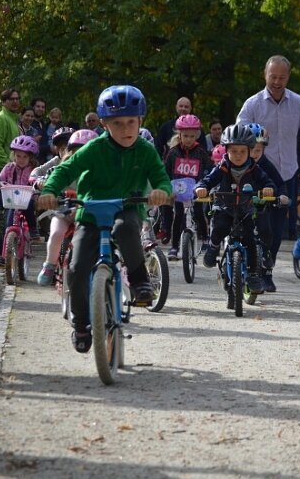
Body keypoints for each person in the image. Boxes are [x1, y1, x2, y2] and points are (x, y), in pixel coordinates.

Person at [38, 85, 171, 353]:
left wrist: (161, 192)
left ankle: (140, 280)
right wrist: (50, 190)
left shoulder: (145, 150)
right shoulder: (94, 148)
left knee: (125, 229)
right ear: (104, 124)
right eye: (117, 123)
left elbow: (160, 177)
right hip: (91, 213)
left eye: (131, 122)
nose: (126, 129)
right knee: (76, 268)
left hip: (128, 208)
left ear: (140, 121)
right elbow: (66, 169)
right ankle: (82, 325)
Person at [237, 55, 300, 288]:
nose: (277, 81)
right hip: (256, 173)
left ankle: (267, 270)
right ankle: (247, 267)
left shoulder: (297, 102)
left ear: (288, 77)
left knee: (275, 229)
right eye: (273, 76)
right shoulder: (253, 104)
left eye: (282, 77)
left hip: (286, 174)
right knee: (252, 223)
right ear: (265, 75)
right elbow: (237, 134)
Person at [195, 124, 276, 295]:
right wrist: (202, 187)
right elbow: (208, 180)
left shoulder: (254, 168)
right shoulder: (223, 166)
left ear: (249, 151)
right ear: (226, 151)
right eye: (234, 151)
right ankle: (214, 246)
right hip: (225, 207)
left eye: (242, 151)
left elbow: (267, 182)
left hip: (245, 209)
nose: (238, 156)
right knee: (220, 227)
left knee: (250, 241)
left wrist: (269, 188)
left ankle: (254, 275)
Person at [32, 128, 100, 286]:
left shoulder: (101, 172)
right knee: (55, 233)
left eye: (87, 152)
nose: (83, 156)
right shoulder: (64, 168)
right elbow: (51, 178)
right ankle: (49, 265)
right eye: (78, 152)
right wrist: (41, 184)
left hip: (87, 215)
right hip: (64, 212)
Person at [164, 114, 212, 260]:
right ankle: (174, 246)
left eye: (192, 136)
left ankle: (204, 239)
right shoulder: (173, 152)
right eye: (186, 136)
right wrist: (166, 187)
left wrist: (206, 184)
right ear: (179, 134)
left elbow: (210, 170)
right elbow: (165, 172)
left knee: (198, 214)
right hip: (178, 192)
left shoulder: (200, 152)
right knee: (178, 216)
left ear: (196, 135)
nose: (189, 139)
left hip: (196, 191)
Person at [248, 123, 289, 287]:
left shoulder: (265, 164)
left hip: (264, 206)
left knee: (273, 234)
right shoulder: (238, 163)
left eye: (258, 151)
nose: (254, 154)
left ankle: (267, 273)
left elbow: (280, 184)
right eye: (250, 150)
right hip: (242, 205)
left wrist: (282, 195)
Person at [0, 135, 40, 267]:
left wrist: (40, 184)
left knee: (30, 206)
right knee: (7, 225)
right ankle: (4, 255)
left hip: (27, 199)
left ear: (30, 157)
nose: (21, 159)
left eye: (25, 157)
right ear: (14, 155)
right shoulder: (9, 168)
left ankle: (32, 228)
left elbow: (38, 180)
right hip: (11, 200)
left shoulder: (33, 170)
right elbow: (0, 178)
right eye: (18, 156)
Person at [0, 88, 21, 176]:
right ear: (3, 102)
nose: (15, 101)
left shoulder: (13, 118)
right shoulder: (0, 118)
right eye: (11, 99)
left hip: (9, 168)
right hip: (0, 170)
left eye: (17, 99)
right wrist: (9, 164)